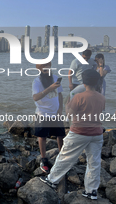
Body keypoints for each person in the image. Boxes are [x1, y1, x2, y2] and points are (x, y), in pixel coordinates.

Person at [40, 69, 105, 200]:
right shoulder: (101, 97)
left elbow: (69, 113)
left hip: (79, 132)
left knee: (65, 157)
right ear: (97, 81)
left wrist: (69, 101)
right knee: (94, 162)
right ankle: (91, 191)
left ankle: (52, 180)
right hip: (97, 133)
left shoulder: (78, 96)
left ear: (83, 81)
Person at [32, 61, 65, 173]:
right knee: (42, 137)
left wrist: (60, 109)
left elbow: (60, 94)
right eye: (45, 68)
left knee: (60, 135)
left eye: (49, 67)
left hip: (56, 113)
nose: (48, 70)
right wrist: (49, 88)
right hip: (42, 113)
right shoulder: (36, 81)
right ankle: (44, 159)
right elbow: (35, 97)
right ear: (40, 70)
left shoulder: (55, 77)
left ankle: (62, 158)